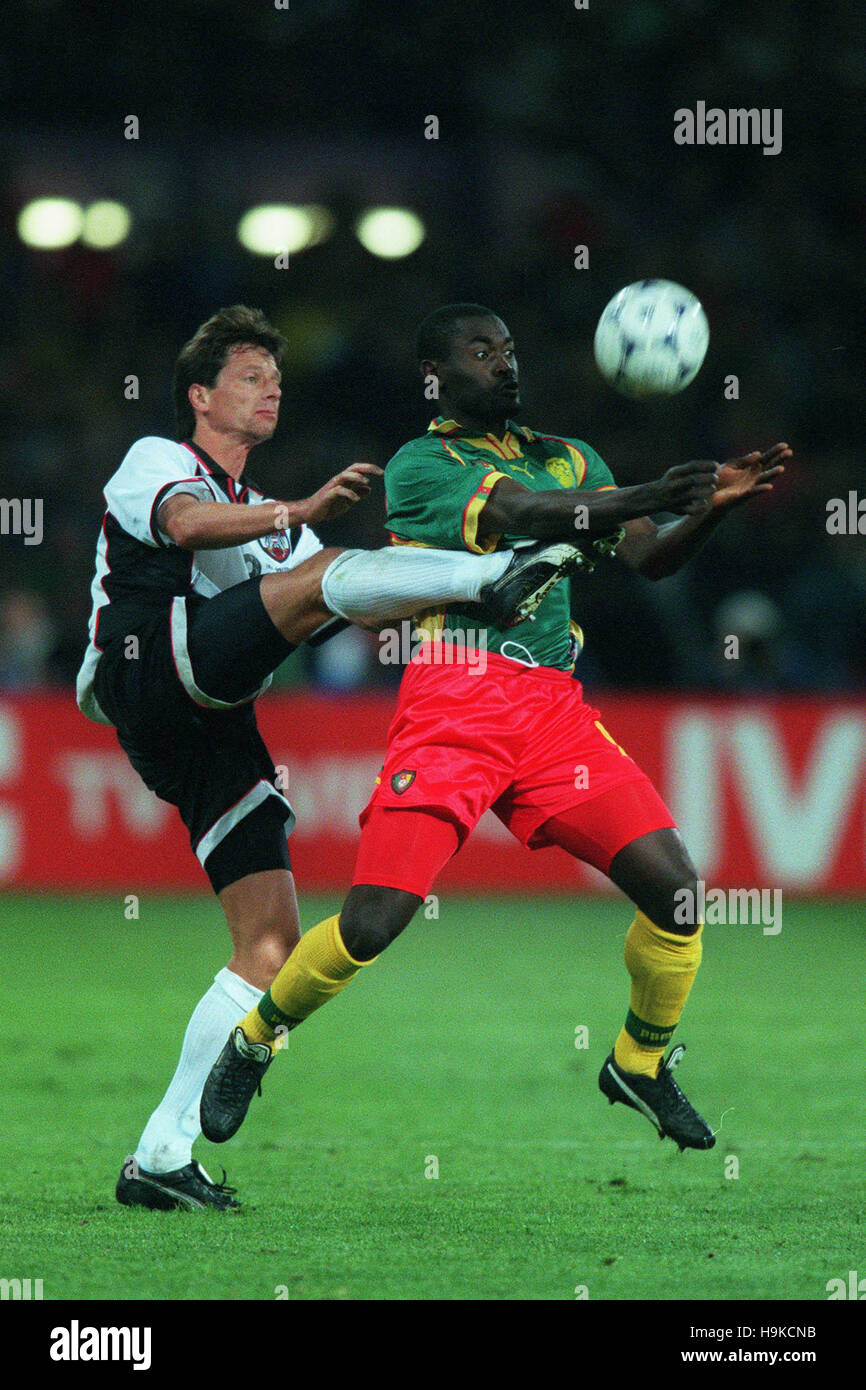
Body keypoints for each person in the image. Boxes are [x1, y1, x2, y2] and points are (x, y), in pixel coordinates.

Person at [200, 302, 790, 1158]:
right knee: (373, 922)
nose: (504, 363)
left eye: (510, 348)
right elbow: (522, 516)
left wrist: (711, 507)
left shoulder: (571, 456)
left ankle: (639, 1062)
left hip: (554, 711)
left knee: (678, 892)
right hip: (455, 702)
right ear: (437, 376)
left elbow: (648, 554)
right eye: (482, 351)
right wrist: (648, 491)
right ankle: (256, 1037)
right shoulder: (421, 465)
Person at [76, 303, 585, 1211]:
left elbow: (352, 593)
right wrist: (315, 518)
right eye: (248, 377)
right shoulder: (157, 461)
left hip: (207, 726)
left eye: (276, 378)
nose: (270, 390)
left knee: (270, 942)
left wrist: (444, 608)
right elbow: (187, 528)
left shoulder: (283, 535)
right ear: (199, 395)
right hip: (146, 666)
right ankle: (491, 574)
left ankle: (159, 1156)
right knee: (320, 570)